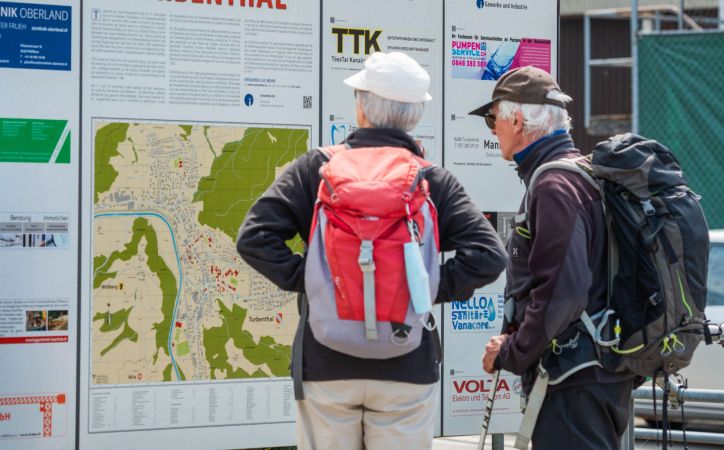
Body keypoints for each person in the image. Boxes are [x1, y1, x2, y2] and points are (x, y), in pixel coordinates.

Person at [236, 52, 506, 450]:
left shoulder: (317, 168)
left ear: (361, 108)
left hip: (325, 361)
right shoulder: (432, 180)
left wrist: (314, 280)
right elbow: (489, 256)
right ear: (415, 116)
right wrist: (424, 288)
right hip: (407, 363)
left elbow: (254, 238)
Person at [473, 66, 635, 450]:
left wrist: (511, 353)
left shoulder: (553, 185)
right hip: (598, 373)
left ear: (516, 118)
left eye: (492, 118)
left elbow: (563, 292)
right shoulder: (582, 174)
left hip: (573, 381)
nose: (492, 128)